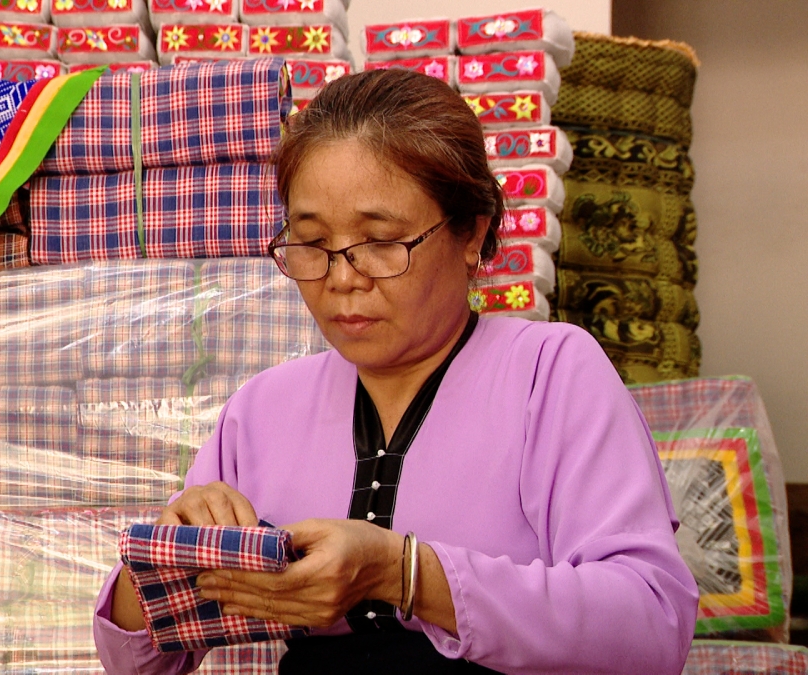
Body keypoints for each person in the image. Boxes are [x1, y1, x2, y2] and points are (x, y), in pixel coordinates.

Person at [92, 69, 699, 674]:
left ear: (472, 232)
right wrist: (163, 561)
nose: (342, 277)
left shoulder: (550, 372)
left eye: (381, 241)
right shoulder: (262, 410)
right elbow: (136, 664)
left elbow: (651, 627)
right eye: (312, 243)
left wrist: (405, 572)